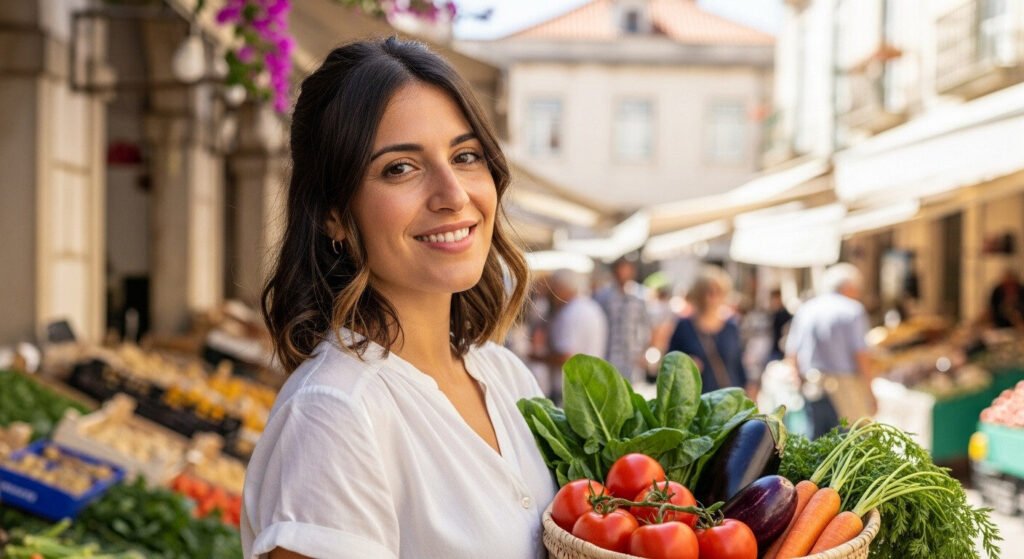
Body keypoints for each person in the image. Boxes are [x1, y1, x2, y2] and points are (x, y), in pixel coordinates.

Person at [242, 38, 556, 559]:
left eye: (466, 156)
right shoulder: (337, 413)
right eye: (400, 168)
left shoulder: (504, 377)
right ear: (333, 214)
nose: (453, 193)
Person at [784, 263, 874, 438]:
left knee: (815, 442)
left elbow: (792, 352)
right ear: (848, 287)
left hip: (812, 385)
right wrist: (870, 391)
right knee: (846, 445)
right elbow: (861, 355)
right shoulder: (853, 310)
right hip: (845, 389)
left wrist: (797, 380)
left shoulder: (806, 309)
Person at [667, 265, 749, 394]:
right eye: (706, 291)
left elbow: (739, 366)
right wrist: (687, 365)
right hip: (696, 403)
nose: (711, 297)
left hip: (728, 402)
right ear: (698, 294)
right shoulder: (684, 327)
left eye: (717, 291)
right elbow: (669, 365)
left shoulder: (731, 327)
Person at [532, 269, 608, 403]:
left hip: (571, 393)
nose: (550, 294)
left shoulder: (571, 313)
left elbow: (566, 357)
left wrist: (535, 357)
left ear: (561, 287)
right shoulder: (590, 307)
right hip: (587, 387)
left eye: (552, 288)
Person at [594, 258, 651, 383]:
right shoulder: (603, 297)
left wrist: (643, 352)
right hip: (609, 356)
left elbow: (645, 327)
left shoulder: (639, 298)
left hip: (632, 358)